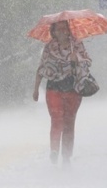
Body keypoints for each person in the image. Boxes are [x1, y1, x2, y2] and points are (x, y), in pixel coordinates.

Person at [33, 20, 92, 165]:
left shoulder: (76, 44)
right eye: (58, 29)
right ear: (53, 31)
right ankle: (54, 150)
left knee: (69, 122)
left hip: (73, 88)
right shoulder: (49, 47)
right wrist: (36, 89)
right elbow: (41, 67)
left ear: (69, 30)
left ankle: (66, 156)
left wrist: (76, 58)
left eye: (64, 28)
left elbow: (87, 62)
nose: (61, 31)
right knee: (56, 119)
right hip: (54, 88)